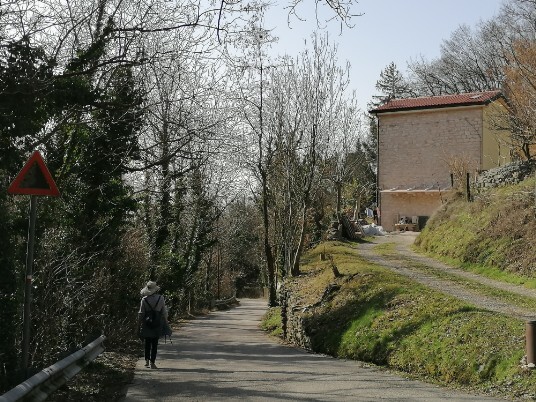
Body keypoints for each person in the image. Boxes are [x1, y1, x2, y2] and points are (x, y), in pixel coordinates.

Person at [138, 281, 168, 369]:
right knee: (155, 343)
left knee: (147, 342)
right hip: (157, 323)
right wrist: (166, 322)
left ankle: (146, 360)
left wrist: (138, 326)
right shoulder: (160, 298)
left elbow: (141, 313)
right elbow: (164, 312)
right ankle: (152, 362)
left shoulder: (144, 300)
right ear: (155, 289)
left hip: (147, 323)